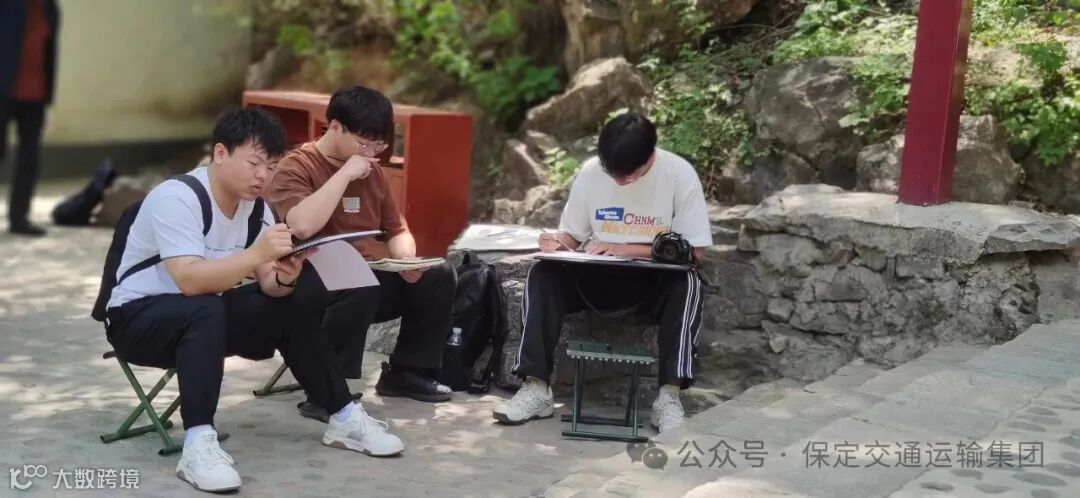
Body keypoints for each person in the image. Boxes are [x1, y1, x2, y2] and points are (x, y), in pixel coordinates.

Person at [105, 108, 404, 494]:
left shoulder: (256, 210)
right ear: (220, 154)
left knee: (288, 305)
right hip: (136, 321)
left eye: (271, 166)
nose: (263, 175)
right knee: (204, 306)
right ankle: (198, 444)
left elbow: (270, 287)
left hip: (202, 323)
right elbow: (189, 280)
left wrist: (286, 274)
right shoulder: (178, 197)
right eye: (254, 163)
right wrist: (255, 255)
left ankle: (344, 416)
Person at [493, 112, 712, 433]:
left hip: (653, 282)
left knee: (688, 282)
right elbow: (572, 236)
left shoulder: (678, 174)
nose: (619, 181)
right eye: (613, 174)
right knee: (543, 274)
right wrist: (556, 241)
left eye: (628, 176)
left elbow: (696, 252)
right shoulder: (590, 173)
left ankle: (668, 397)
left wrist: (627, 249)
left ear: (650, 157)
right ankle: (536, 387)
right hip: (597, 277)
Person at [267, 85, 457, 422]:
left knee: (438, 275)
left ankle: (407, 371)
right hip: (309, 281)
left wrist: (405, 261)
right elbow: (302, 225)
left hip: (366, 278)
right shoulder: (295, 167)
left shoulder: (373, 171)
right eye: (363, 143)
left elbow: (397, 229)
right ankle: (327, 392)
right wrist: (344, 174)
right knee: (357, 280)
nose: (370, 153)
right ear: (335, 127)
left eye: (378, 145)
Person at [0, 0, 59, 236]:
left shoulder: (49, 7)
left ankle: (19, 218)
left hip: (35, 95)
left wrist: (48, 97)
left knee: (29, 157)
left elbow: (50, 52)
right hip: (3, 92)